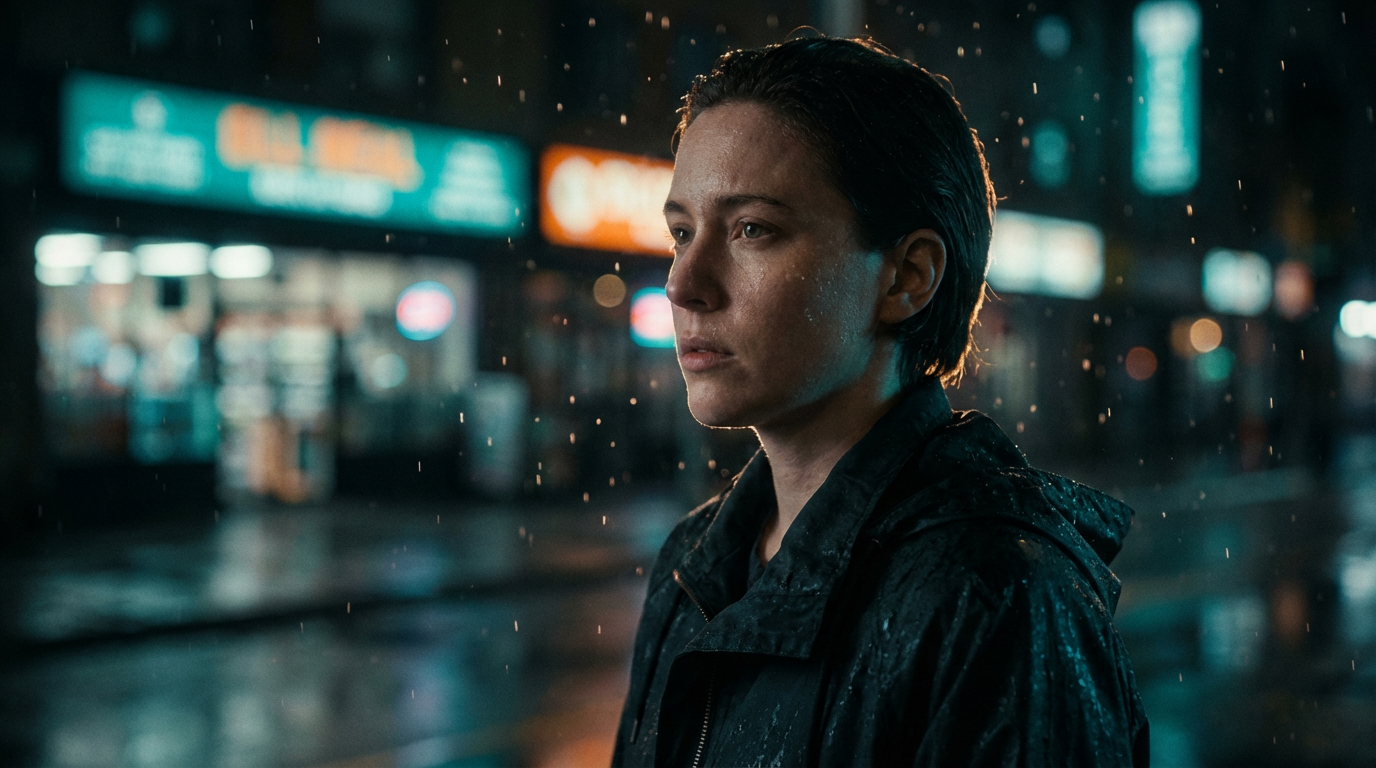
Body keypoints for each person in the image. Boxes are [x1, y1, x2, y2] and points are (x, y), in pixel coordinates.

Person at [611, 36, 1149, 767]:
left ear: (907, 277)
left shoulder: (996, 597)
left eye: (753, 230)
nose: (683, 283)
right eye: (680, 232)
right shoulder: (692, 564)